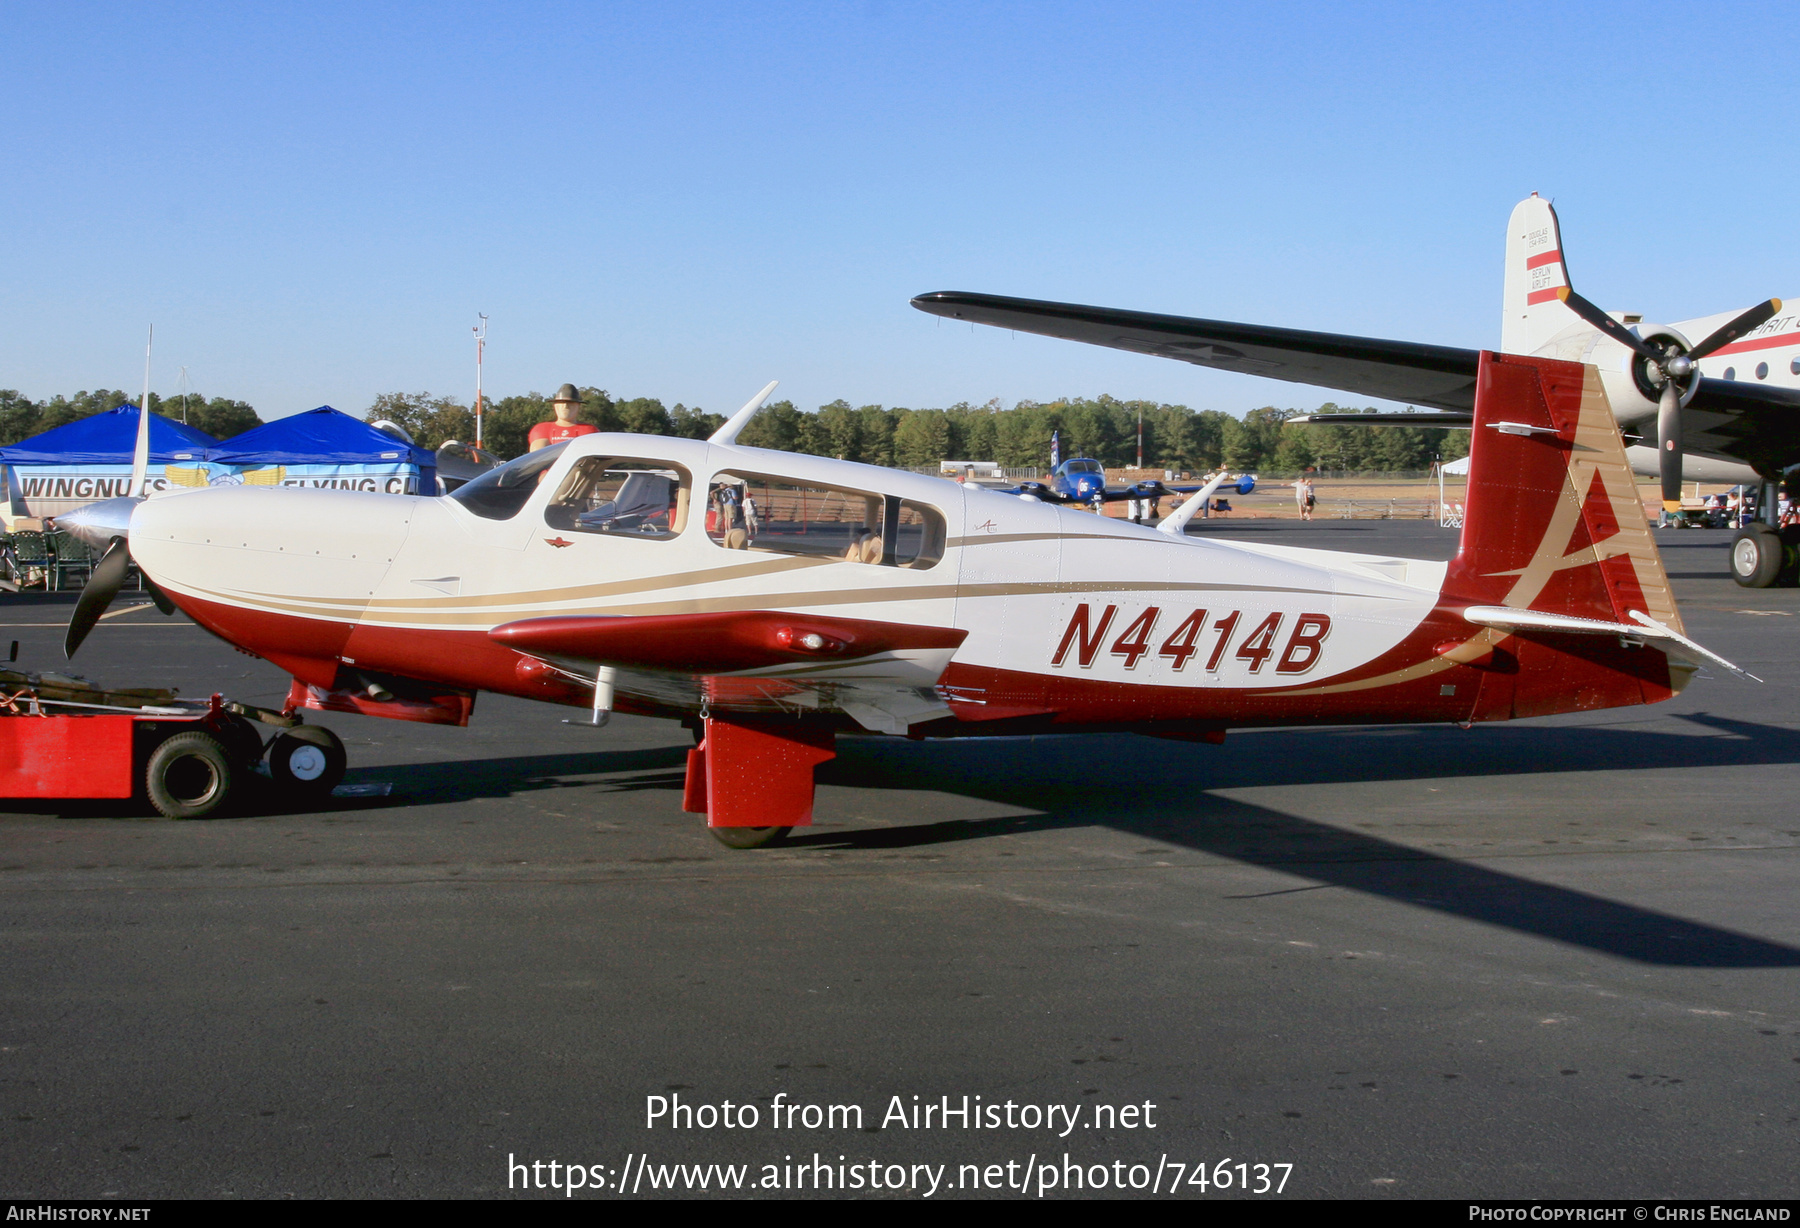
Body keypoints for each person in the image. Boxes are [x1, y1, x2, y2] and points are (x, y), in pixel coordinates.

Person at [529, 384, 601, 452]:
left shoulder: (589, 431)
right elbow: (538, 458)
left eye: (570, 403)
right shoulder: (541, 430)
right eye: (561, 402)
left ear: (578, 406)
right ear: (555, 406)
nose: (565, 406)